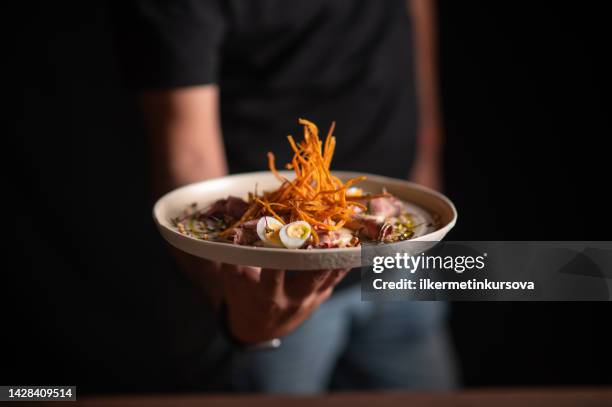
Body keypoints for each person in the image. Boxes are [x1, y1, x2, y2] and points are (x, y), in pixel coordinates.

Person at [114, 0, 456, 393]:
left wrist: (428, 149)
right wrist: (241, 313)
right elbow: (189, 154)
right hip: (275, 282)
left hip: (406, 248)